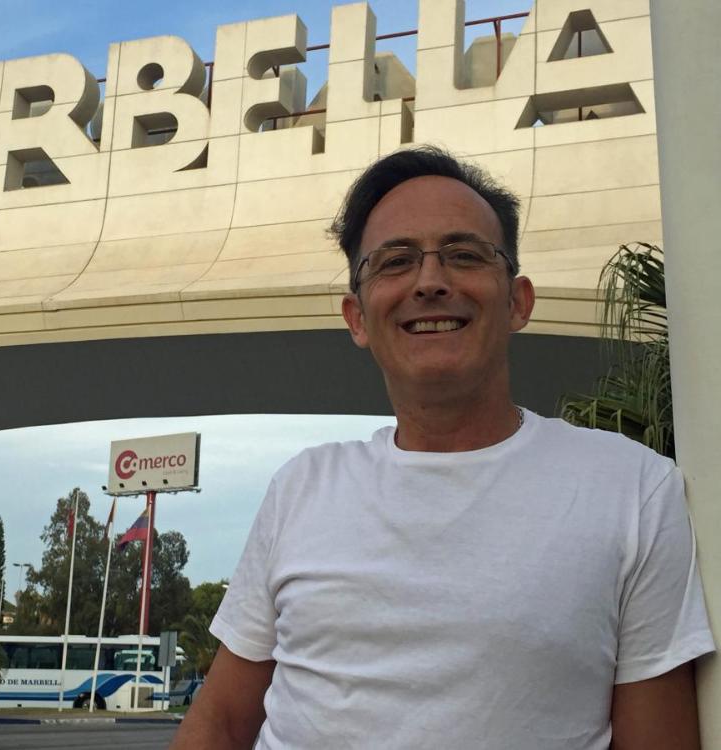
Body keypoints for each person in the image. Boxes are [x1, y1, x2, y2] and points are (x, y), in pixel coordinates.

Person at [171, 146, 715, 749]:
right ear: (356, 317)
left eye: (463, 255)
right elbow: (219, 721)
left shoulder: (633, 488)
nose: (430, 282)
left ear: (518, 301)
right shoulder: (302, 486)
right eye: (395, 261)